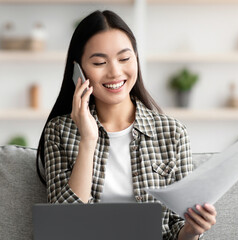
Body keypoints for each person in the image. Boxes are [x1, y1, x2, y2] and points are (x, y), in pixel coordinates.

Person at [36, 10, 216, 240]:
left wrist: (192, 230)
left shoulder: (172, 133)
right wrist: (88, 141)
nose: (115, 72)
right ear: (78, 71)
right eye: (100, 62)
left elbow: (176, 227)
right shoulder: (59, 131)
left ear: (136, 60)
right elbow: (62, 226)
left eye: (124, 59)